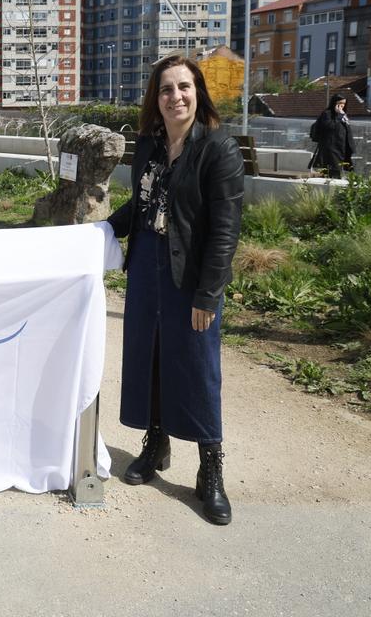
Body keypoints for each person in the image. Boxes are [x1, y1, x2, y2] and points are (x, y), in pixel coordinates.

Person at [106, 55, 244, 526]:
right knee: (150, 354)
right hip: (147, 265)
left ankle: (210, 469)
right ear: (156, 97)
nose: (176, 96)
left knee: (198, 366)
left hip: (191, 276)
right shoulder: (148, 144)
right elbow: (142, 204)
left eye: (184, 87)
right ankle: (157, 443)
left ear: (198, 92)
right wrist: (103, 231)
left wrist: (209, 295)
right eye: (166, 89)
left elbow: (225, 233)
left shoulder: (218, 151)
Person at [311, 93, 355, 179]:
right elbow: (329, 126)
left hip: (341, 147)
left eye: (344, 104)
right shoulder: (327, 114)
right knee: (332, 172)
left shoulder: (343, 115)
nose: (342, 106)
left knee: (339, 171)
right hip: (331, 148)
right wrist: (339, 116)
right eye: (339, 103)